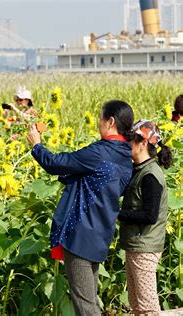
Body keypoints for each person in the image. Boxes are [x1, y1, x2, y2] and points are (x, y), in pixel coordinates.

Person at [26, 100, 134, 316]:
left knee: (85, 306)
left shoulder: (100, 152)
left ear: (110, 121)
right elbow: (97, 181)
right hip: (100, 234)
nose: (98, 123)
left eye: (101, 118)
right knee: (89, 299)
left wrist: (37, 146)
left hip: (80, 234)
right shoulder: (125, 156)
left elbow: (57, 162)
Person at [118, 120, 172, 314]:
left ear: (142, 143)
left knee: (147, 306)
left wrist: (116, 214)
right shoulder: (139, 170)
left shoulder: (150, 176)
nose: (125, 144)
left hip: (144, 247)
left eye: (129, 140)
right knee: (136, 304)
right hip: (136, 244)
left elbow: (150, 215)